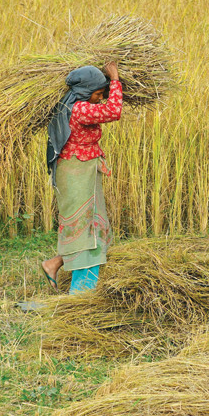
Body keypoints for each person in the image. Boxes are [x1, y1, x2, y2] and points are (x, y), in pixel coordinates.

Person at [40, 62, 122, 293]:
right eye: (97, 94)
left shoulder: (71, 105)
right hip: (76, 172)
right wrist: (115, 80)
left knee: (89, 226)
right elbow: (113, 111)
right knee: (86, 229)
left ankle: (55, 264)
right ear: (84, 92)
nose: (99, 98)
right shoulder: (79, 109)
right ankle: (82, 293)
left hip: (82, 170)